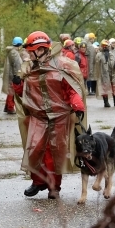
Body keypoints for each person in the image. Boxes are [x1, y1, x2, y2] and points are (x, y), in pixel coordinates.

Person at [12, 31, 87, 199]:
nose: (29, 54)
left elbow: (72, 88)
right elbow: (24, 93)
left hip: (59, 117)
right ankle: (38, 182)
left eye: (31, 50)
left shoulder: (62, 66)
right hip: (37, 116)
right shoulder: (30, 67)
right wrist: (17, 85)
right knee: (35, 149)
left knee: (55, 152)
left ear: (41, 49)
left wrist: (78, 105)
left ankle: (54, 187)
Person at [93, 40, 115, 107]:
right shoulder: (99, 55)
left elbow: (114, 62)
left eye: (107, 46)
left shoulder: (111, 54)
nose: (105, 47)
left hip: (113, 74)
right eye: (104, 46)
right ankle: (106, 102)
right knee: (105, 88)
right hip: (104, 74)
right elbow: (97, 66)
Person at [1, 37, 24, 114]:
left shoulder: (12, 51)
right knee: (12, 92)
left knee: (10, 91)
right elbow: (17, 65)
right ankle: (10, 108)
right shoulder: (14, 53)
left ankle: (7, 107)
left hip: (10, 74)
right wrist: (17, 75)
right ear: (19, 45)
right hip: (13, 75)